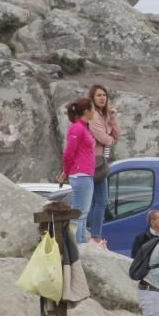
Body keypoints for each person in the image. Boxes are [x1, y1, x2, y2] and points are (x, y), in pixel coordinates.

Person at [87, 84, 120, 248]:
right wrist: (109, 139)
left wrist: (113, 118)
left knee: (96, 201)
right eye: (99, 95)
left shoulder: (104, 115)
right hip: (94, 160)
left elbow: (116, 135)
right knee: (101, 201)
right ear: (92, 97)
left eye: (104, 95)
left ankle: (93, 233)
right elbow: (102, 137)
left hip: (100, 160)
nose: (102, 98)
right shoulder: (93, 116)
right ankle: (95, 236)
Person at [59, 97, 96, 243]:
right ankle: (76, 244)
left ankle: (80, 242)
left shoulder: (83, 127)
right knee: (79, 212)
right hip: (80, 173)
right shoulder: (77, 128)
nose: (94, 112)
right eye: (92, 109)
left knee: (83, 212)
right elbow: (69, 152)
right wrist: (66, 171)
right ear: (87, 111)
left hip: (86, 173)